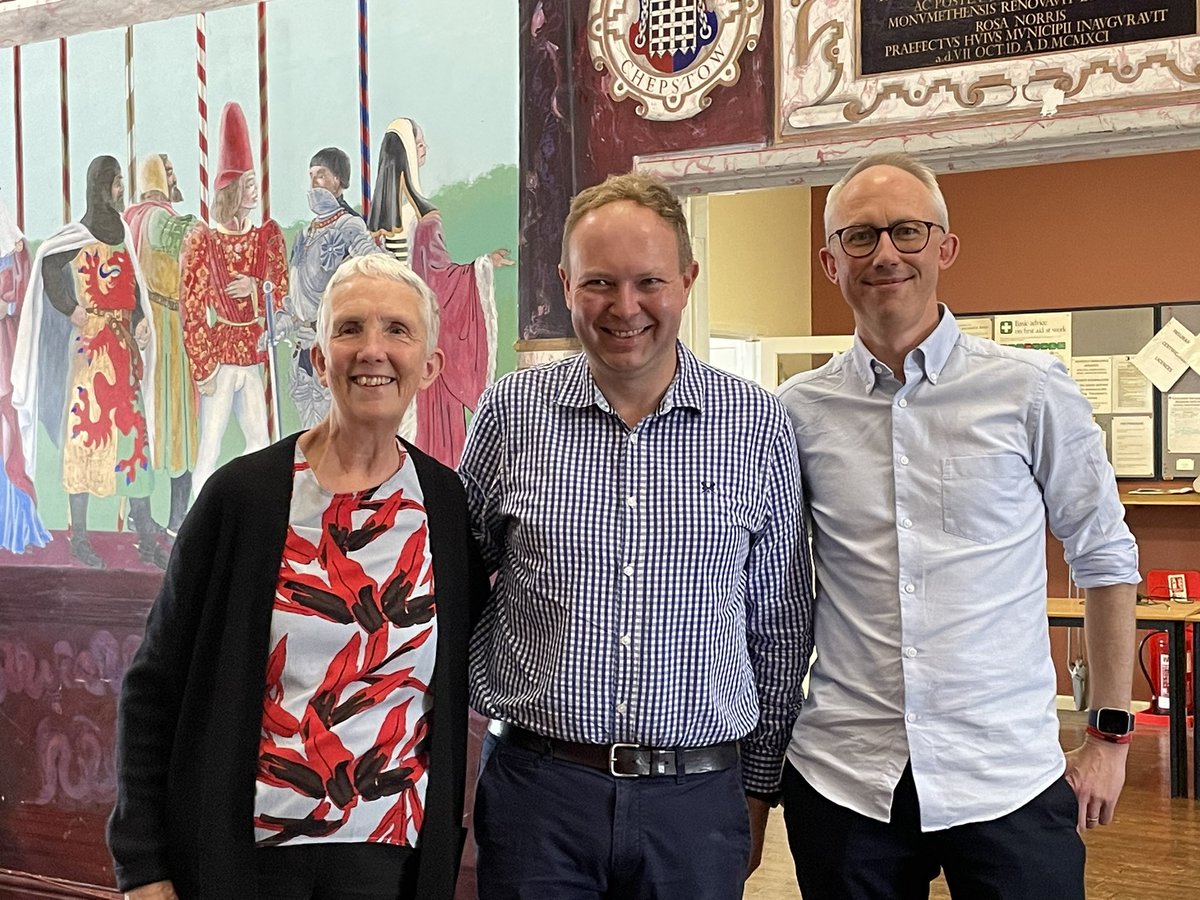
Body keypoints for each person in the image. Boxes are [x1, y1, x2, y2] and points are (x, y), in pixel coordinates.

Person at [776, 151, 1140, 899]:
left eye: (908, 231)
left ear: (945, 248)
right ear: (828, 261)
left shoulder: (1031, 390)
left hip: (1005, 774)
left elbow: (1105, 557)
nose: (885, 253)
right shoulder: (793, 413)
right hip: (848, 779)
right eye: (859, 236)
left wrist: (1109, 735)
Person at [459, 171, 812, 899]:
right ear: (564, 283)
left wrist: (758, 786)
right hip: (538, 796)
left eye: (649, 280)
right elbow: (456, 585)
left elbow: (779, 624)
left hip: (697, 804)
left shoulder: (756, 424)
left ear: (686, 279)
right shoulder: (509, 414)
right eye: (599, 283)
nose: (625, 308)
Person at [108, 254, 487, 900]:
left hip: (391, 863)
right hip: (246, 862)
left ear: (430, 367)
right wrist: (142, 866)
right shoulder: (242, 498)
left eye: (397, 330)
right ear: (318, 358)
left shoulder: (445, 504)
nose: (373, 350)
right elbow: (153, 687)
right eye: (349, 329)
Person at [12, 156, 164, 569]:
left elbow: (130, 291)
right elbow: (48, 264)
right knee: (85, 437)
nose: (120, 190)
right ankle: (79, 536)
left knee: (134, 441)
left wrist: (139, 323)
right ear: (100, 186)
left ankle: (146, 536)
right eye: (116, 183)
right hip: (92, 351)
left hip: (124, 350)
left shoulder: (124, 235)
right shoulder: (77, 236)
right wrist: (70, 307)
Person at [368, 117, 512, 467]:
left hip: (380, 345)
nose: (425, 149)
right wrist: (482, 267)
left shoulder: (372, 226)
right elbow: (439, 282)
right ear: (407, 154)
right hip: (418, 345)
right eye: (419, 144)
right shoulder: (425, 218)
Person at [179, 101, 289, 499]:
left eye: (254, 181)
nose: (253, 190)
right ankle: (198, 521)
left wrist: (257, 287)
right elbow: (191, 306)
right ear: (230, 189)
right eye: (246, 183)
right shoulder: (203, 240)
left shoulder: (266, 237)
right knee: (208, 452)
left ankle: (245, 508)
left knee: (261, 445)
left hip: (253, 352)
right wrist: (204, 365)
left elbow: (282, 290)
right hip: (222, 354)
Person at [124, 154, 200, 534]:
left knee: (153, 420)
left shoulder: (132, 216)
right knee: (173, 421)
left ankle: (154, 517)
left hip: (152, 319)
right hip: (163, 324)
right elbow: (181, 235)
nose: (174, 179)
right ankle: (171, 518)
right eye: (168, 173)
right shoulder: (155, 216)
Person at [286, 147, 382, 428]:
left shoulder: (348, 224)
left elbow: (370, 256)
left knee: (335, 427)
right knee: (307, 431)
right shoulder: (305, 232)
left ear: (338, 180)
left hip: (330, 342)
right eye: (312, 176)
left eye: (322, 175)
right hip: (301, 345)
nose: (315, 182)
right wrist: (282, 317)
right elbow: (295, 289)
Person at [0, 186, 49, 553]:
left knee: (11, 433)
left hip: (7, 348)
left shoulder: (17, 249)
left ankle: (14, 524)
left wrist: (9, 308)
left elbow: (27, 296)